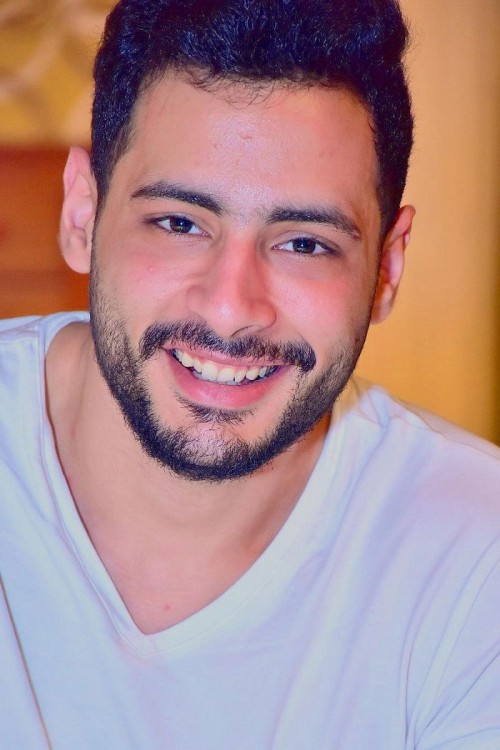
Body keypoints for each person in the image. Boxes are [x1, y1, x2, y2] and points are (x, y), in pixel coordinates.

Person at [1, 0, 499, 747]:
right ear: (82, 214)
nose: (232, 309)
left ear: (387, 269)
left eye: (304, 243)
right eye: (179, 223)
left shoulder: (477, 553)